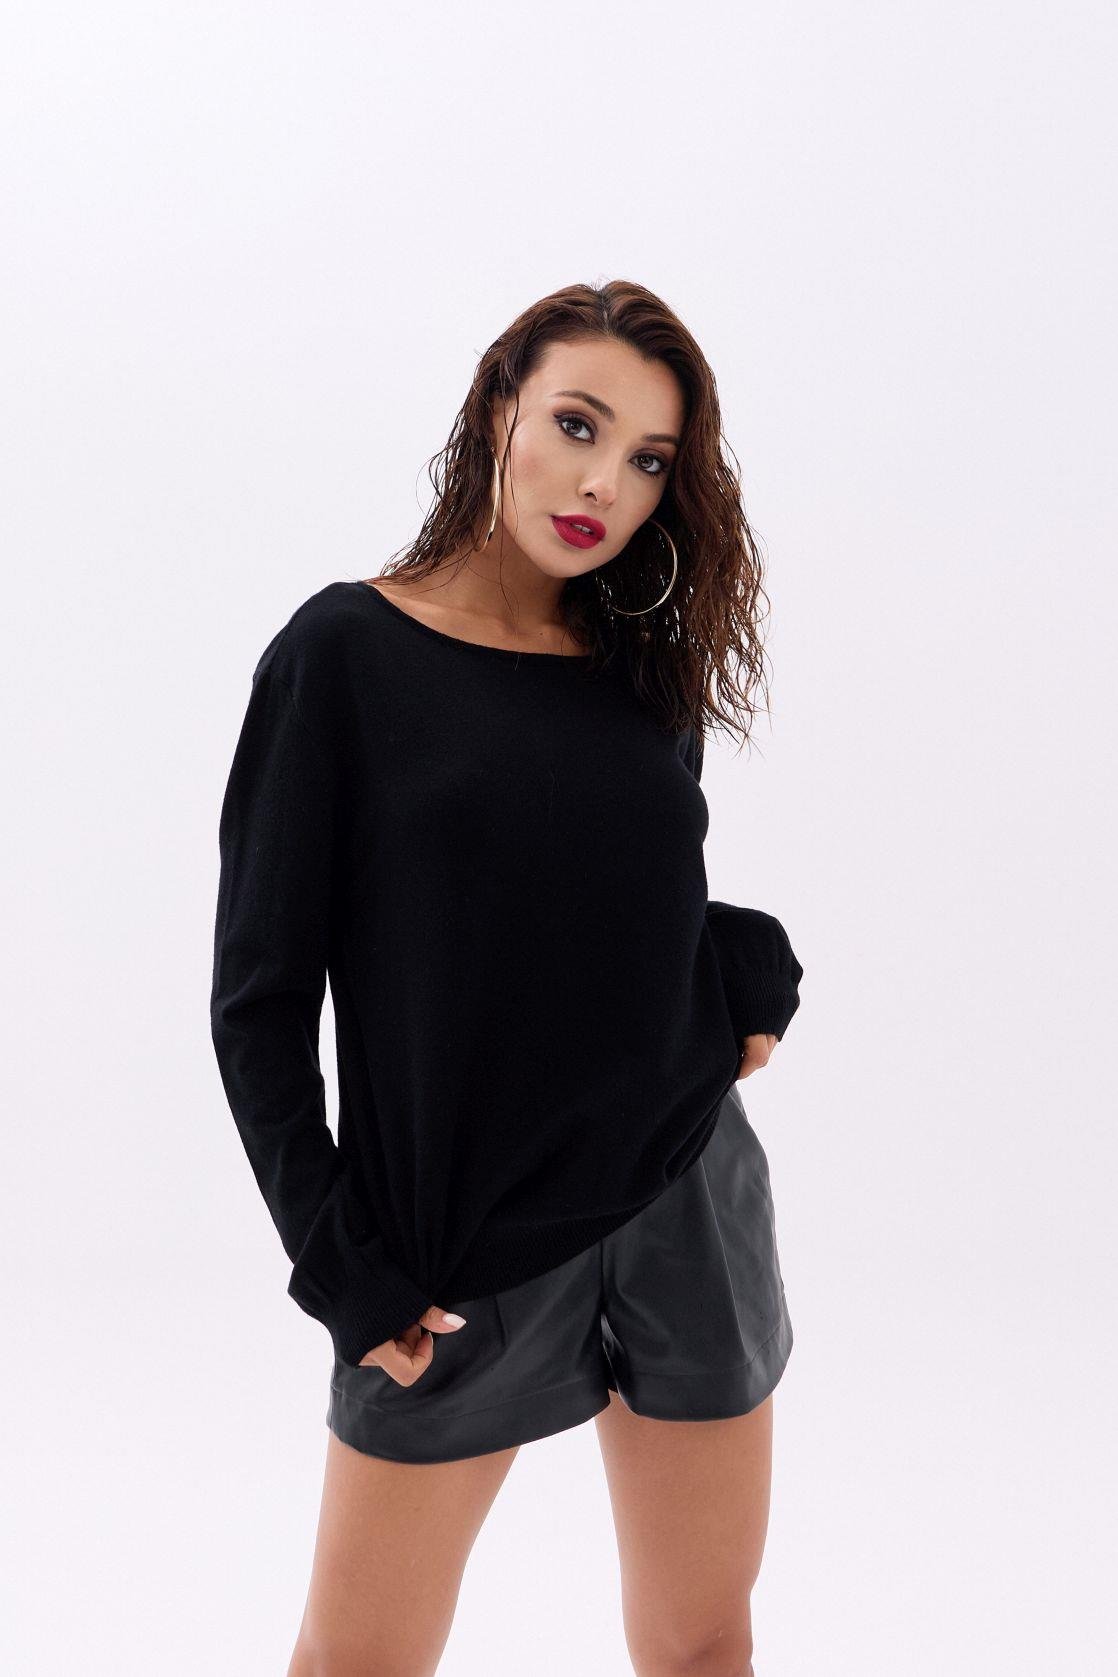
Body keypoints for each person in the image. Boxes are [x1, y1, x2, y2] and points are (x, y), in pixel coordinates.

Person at [209, 278, 805, 1677]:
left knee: (704, 1644)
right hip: (459, 1240)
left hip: (685, 1196)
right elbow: (258, 998)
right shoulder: (342, 657)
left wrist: (741, 961)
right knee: (357, 1660)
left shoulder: (637, 668)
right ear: (498, 413)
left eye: (647, 459)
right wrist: (340, 1260)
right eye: (577, 426)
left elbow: (595, 901)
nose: (604, 483)